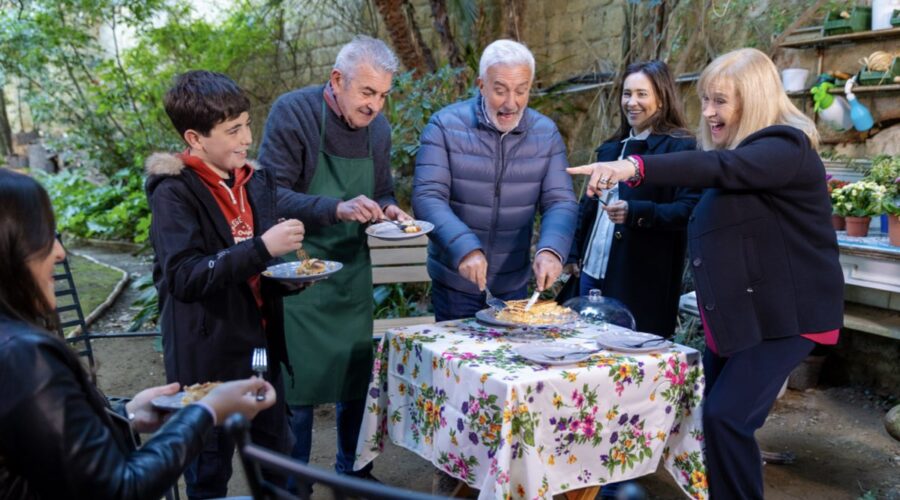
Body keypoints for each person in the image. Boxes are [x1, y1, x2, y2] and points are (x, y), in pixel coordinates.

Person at [567, 48, 844, 499]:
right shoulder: (742, 157)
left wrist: (633, 167)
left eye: (721, 101)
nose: (709, 113)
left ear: (752, 100)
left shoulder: (785, 147)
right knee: (711, 423)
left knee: (727, 418)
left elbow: (720, 168)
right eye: (707, 101)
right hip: (741, 316)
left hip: (789, 318)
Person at [0, 168, 277, 499]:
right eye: (44, 235)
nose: (59, 252)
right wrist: (204, 412)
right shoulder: (23, 356)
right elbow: (119, 488)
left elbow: (52, 447)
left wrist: (126, 415)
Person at [146, 70, 308, 499]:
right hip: (206, 356)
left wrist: (288, 277)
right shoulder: (173, 192)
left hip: (260, 345)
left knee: (278, 458)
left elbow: (258, 264)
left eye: (247, 124)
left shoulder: (256, 180)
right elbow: (184, 276)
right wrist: (262, 248)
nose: (246, 139)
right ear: (195, 138)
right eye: (233, 130)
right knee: (209, 469)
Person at [257, 35, 408, 481]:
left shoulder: (378, 130)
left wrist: (392, 208)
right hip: (300, 272)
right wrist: (334, 208)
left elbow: (382, 191)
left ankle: (353, 472)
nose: (375, 107)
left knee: (356, 384)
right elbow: (269, 194)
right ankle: (294, 482)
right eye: (367, 92)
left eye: (383, 95)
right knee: (299, 393)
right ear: (337, 79)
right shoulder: (294, 112)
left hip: (351, 277)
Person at [412, 39, 578, 320]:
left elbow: (560, 200)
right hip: (456, 282)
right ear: (481, 84)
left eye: (521, 91)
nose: (511, 103)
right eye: (500, 91)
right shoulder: (444, 126)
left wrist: (551, 250)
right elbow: (427, 197)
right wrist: (464, 249)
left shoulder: (545, 134)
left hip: (515, 285)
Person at [568, 60, 700, 338]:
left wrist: (635, 212)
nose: (632, 102)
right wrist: (573, 253)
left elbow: (688, 211)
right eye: (627, 94)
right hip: (591, 272)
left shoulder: (681, 148)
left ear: (662, 99)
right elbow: (588, 207)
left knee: (628, 361)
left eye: (642, 94)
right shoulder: (610, 149)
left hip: (641, 278)